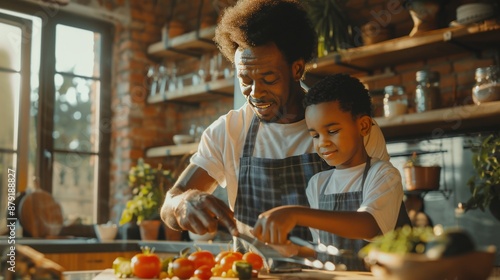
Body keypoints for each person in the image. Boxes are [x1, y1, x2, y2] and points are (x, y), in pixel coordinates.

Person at [160, 0, 390, 240]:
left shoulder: (351, 127)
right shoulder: (228, 131)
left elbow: (384, 217)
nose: (256, 92)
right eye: (246, 80)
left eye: (269, 78)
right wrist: (182, 203)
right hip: (257, 274)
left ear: (297, 69)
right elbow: (170, 204)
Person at [252, 74, 410, 270]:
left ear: (363, 126)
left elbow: (370, 226)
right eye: (315, 135)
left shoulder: (383, 174)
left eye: (333, 131)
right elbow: (323, 250)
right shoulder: (318, 184)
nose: (323, 143)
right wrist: (291, 249)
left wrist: (295, 214)